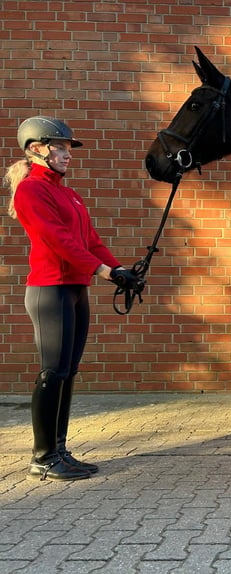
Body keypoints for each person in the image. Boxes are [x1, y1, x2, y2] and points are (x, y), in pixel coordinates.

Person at [4, 116, 137, 481]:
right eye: (59, 147)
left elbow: (89, 241)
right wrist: (104, 272)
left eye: (67, 148)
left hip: (76, 290)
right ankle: (43, 457)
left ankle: (60, 449)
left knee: (69, 372)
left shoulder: (68, 193)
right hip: (51, 291)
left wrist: (120, 269)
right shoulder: (32, 190)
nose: (67, 154)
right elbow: (58, 241)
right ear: (36, 149)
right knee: (53, 372)